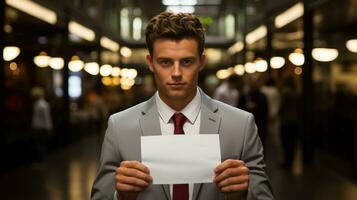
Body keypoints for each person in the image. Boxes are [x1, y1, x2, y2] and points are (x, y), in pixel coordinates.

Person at [91, 12, 274, 200]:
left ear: (201, 62)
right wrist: (120, 196)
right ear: (150, 63)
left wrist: (243, 195)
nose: (176, 73)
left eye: (187, 61)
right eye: (165, 62)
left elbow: (263, 196)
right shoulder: (120, 126)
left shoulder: (241, 125)